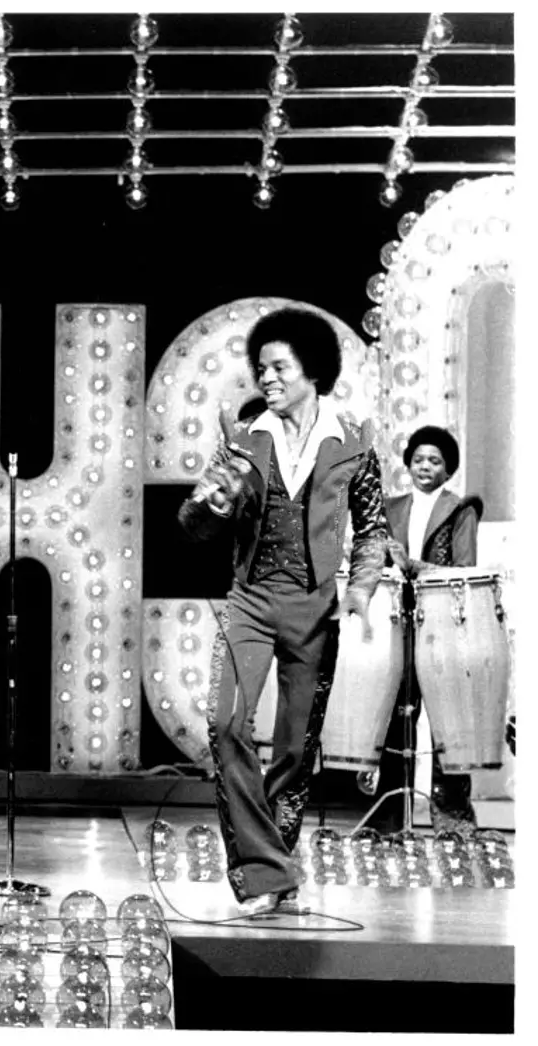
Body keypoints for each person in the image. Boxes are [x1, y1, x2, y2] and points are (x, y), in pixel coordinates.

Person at [178, 308, 388, 915]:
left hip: (316, 608)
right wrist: (217, 501)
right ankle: (264, 869)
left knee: (295, 751)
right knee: (224, 726)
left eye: (279, 368)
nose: (266, 378)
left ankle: (275, 871)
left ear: (313, 372)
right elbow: (191, 526)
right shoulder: (244, 439)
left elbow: (371, 528)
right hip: (250, 600)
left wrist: (360, 591)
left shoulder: (354, 440)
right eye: (261, 368)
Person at [368, 425, 484, 833]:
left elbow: (466, 573)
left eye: (434, 461)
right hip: (396, 627)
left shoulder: (461, 508)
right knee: (394, 720)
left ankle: (453, 822)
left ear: (448, 469)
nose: (424, 467)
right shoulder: (390, 507)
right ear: (408, 464)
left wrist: (415, 567)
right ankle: (387, 822)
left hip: (442, 630)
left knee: (446, 724)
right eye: (418, 459)